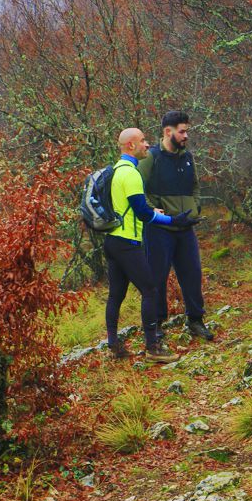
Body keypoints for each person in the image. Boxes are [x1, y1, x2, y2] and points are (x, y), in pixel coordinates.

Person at [104, 127, 193, 362]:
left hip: (112, 240)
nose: (146, 144)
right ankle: (153, 347)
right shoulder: (132, 174)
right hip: (127, 242)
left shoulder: (115, 170)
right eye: (142, 141)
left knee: (115, 295)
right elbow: (143, 214)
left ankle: (113, 345)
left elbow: (128, 206)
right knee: (150, 290)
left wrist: (149, 209)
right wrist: (173, 220)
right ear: (130, 146)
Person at [138, 110, 214, 343]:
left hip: (186, 227)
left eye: (187, 131)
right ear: (167, 132)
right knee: (157, 278)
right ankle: (156, 324)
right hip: (159, 229)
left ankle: (196, 320)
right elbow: (138, 188)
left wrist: (195, 208)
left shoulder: (187, 157)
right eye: (182, 131)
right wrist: (153, 211)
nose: (186, 136)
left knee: (192, 273)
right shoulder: (151, 157)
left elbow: (195, 186)